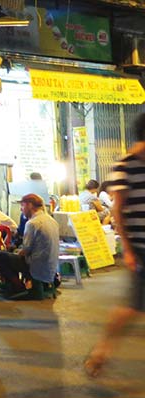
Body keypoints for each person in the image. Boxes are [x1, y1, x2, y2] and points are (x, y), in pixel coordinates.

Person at [85, 113, 145, 377]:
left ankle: (100, 352)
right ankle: (100, 352)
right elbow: (119, 210)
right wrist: (129, 250)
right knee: (132, 307)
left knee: (133, 306)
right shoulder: (125, 165)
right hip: (141, 249)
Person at [0, 194, 59, 299]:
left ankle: (17, 286)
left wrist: (14, 253)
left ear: (29, 205)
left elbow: (25, 251)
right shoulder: (51, 221)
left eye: (22, 206)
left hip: (36, 266)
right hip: (50, 266)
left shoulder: (32, 223)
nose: (21, 210)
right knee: (10, 256)